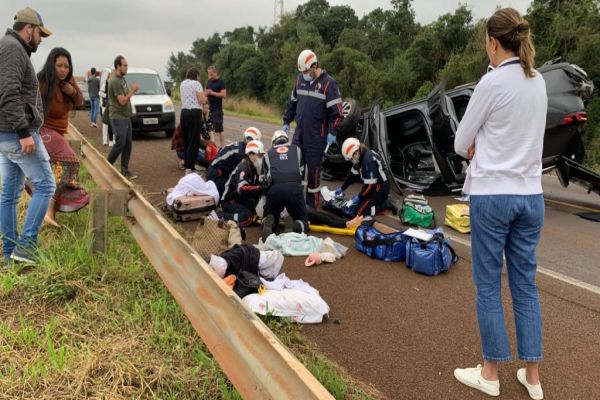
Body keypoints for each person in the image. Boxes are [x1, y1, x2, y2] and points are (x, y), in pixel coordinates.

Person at [453, 8, 547, 400]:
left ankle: (490, 372)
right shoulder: (537, 80)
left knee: (489, 285)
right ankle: (533, 376)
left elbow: (461, 142)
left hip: (493, 195)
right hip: (531, 196)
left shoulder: (491, 83)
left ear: (493, 42)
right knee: (526, 284)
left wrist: (476, 146)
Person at [0, 7, 56, 265]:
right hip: (16, 134)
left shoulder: (12, 48)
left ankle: (9, 254)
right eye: (40, 33)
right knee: (45, 185)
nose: (41, 39)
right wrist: (24, 132)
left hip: (7, 134)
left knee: (9, 195)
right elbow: (8, 93)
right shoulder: (13, 49)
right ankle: (25, 248)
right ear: (29, 28)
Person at [283, 49, 343, 209]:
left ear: (314, 66)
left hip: (317, 136)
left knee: (313, 173)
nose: (304, 74)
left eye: (306, 71)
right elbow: (292, 103)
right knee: (295, 168)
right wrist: (286, 121)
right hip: (299, 133)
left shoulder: (329, 84)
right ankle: (295, 202)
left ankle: (311, 206)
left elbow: (337, 113)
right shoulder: (299, 80)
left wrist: (332, 131)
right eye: (301, 71)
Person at [37, 47, 89, 228]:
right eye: (59, 66)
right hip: (43, 131)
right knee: (71, 161)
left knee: (59, 174)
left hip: (57, 133)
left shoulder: (68, 82)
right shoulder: (42, 82)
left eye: (66, 66)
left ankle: (48, 212)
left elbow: (80, 101)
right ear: (52, 65)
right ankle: (49, 210)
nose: (63, 70)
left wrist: (72, 91)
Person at [261, 130, 309, 241]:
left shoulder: (268, 153)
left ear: (274, 142)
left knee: (270, 215)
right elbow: (302, 177)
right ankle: (298, 226)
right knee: (303, 220)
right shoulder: (297, 150)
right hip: (294, 188)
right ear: (287, 140)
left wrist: (267, 205)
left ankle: (268, 223)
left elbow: (264, 182)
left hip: (275, 189)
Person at [334, 137, 391, 218]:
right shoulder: (360, 157)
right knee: (356, 206)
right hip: (373, 187)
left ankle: (385, 205)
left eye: (351, 158)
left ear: (356, 152)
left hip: (380, 189)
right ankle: (376, 203)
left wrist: (360, 196)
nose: (351, 160)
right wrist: (342, 188)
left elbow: (370, 186)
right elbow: (351, 176)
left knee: (359, 212)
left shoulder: (368, 162)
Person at [106, 55, 139, 180]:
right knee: (120, 143)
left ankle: (124, 170)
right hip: (118, 116)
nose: (126, 67)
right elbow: (122, 101)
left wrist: (130, 91)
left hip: (125, 116)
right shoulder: (115, 81)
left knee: (128, 144)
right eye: (124, 65)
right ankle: (106, 166)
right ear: (118, 66)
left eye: (127, 65)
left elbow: (125, 96)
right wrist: (133, 90)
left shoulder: (121, 78)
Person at [221, 140, 265, 227]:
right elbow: (242, 189)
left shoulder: (254, 167)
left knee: (256, 215)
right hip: (229, 201)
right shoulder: (243, 168)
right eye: (259, 155)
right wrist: (260, 188)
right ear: (251, 155)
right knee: (246, 216)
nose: (261, 158)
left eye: (262, 155)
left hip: (241, 199)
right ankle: (220, 216)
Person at [206, 127, 261, 197]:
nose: (249, 141)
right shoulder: (242, 152)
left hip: (219, 171)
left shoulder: (242, 146)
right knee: (230, 194)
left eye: (250, 139)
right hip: (217, 173)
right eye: (248, 138)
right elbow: (242, 170)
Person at [180, 67, 208, 174]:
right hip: (194, 112)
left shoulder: (182, 84)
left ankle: (187, 164)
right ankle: (191, 167)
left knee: (186, 139)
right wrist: (205, 96)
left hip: (184, 112)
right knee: (194, 140)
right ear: (196, 75)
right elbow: (201, 100)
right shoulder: (196, 84)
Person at [206, 65, 227, 148]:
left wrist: (213, 93)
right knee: (209, 129)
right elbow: (205, 92)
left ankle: (222, 146)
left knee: (219, 129)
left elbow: (224, 94)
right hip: (209, 109)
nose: (210, 76)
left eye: (211, 74)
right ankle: (212, 147)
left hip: (217, 110)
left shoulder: (221, 82)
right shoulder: (208, 82)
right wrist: (206, 94)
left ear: (215, 73)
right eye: (208, 74)